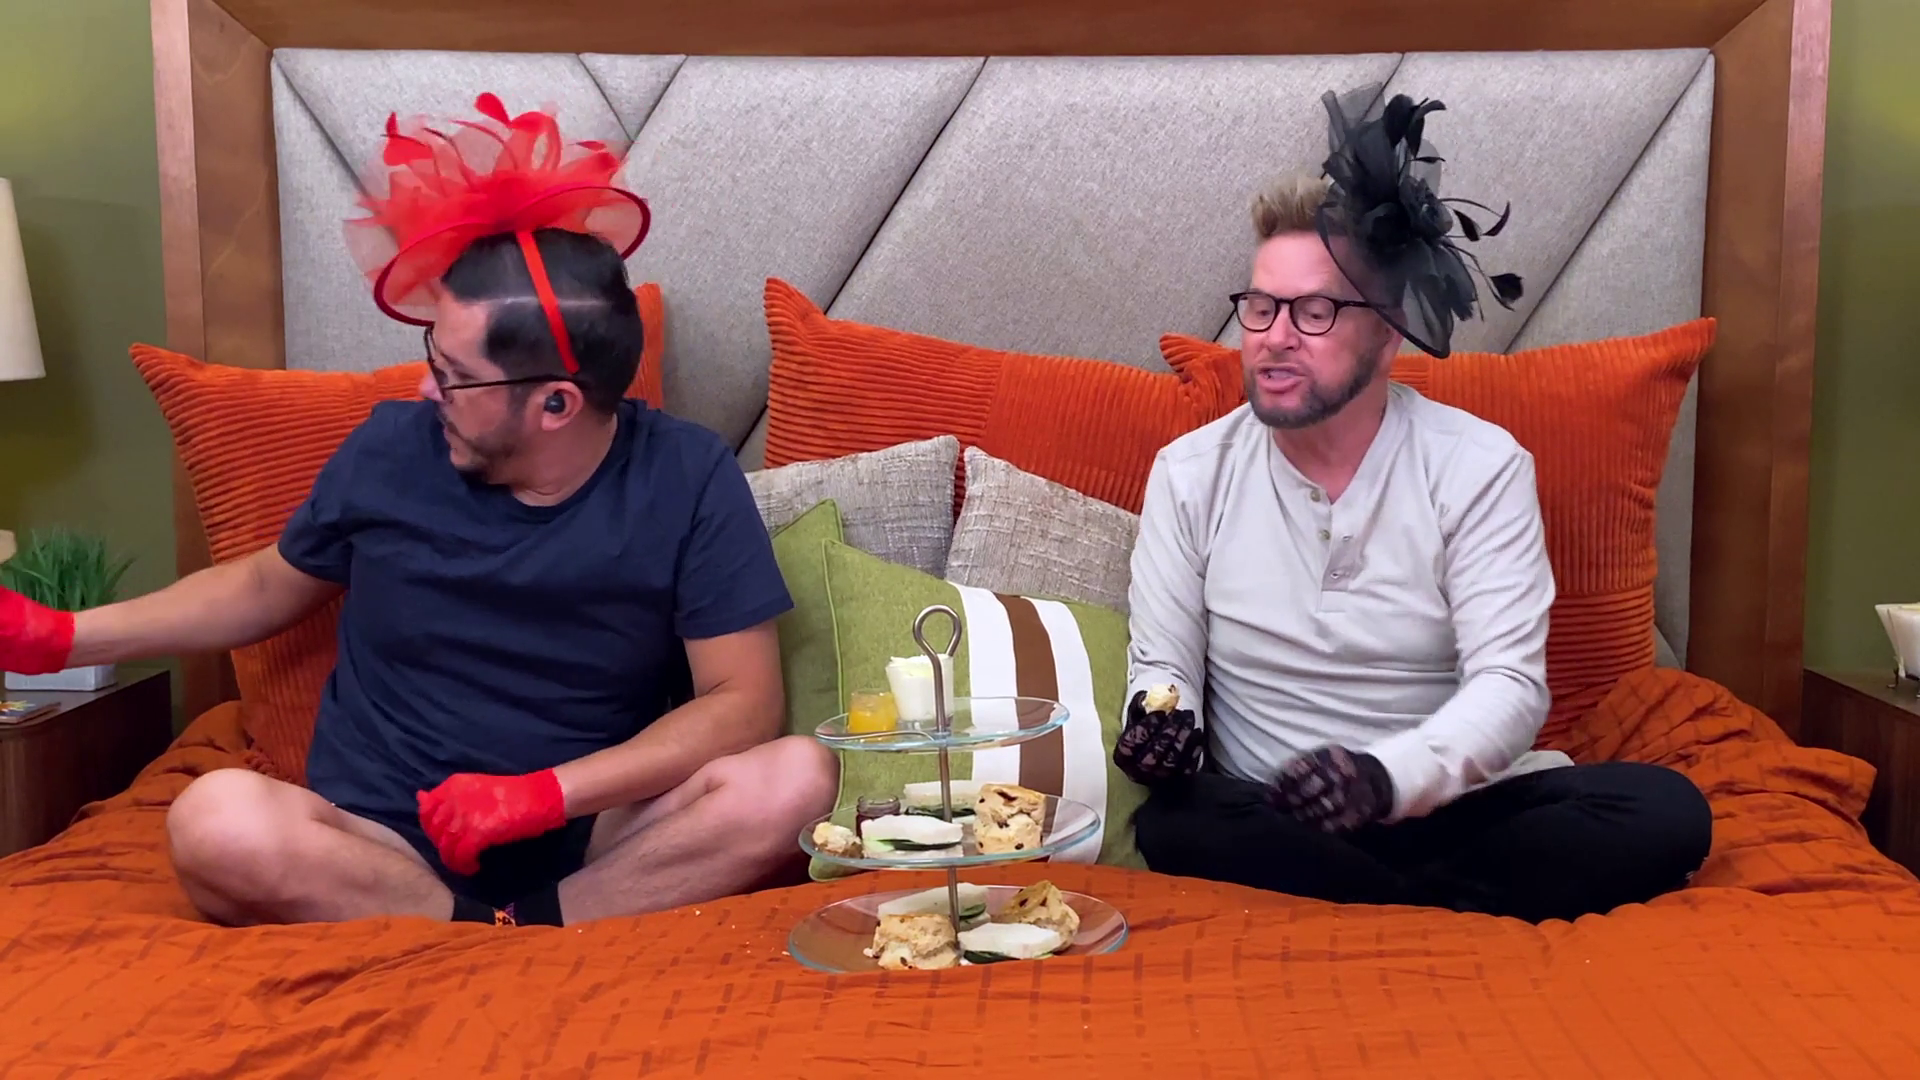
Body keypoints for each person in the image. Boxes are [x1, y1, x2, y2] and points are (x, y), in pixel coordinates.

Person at [0, 93, 837, 928]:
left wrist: (544, 795)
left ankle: (536, 925)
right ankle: (475, 929)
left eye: (456, 377)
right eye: (434, 357)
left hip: (595, 833)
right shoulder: (391, 448)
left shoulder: (687, 474)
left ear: (555, 403)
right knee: (215, 820)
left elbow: (741, 702)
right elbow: (262, 587)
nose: (427, 389)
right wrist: (66, 637)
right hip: (380, 839)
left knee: (799, 778)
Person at [1114, 87, 1712, 924]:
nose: (1273, 337)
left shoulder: (1479, 468)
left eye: (1314, 311)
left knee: (1667, 810)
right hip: (1274, 812)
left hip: (1450, 810)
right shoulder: (1189, 474)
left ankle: (1372, 901)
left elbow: (1509, 687)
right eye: (1260, 307)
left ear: (1389, 330)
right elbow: (1164, 665)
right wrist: (1160, 726)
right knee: (1176, 821)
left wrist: (1383, 779)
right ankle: (1439, 911)